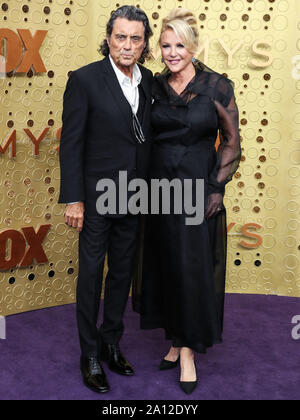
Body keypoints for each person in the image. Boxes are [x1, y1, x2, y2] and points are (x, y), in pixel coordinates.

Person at [134, 9, 241, 394]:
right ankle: (175, 340)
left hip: (197, 189)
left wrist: (216, 187)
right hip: (158, 190)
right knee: (164, 265)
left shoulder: (217, 86)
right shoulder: (154, 87)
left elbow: (231, 141)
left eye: (180, 44)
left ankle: (189, 351)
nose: (172, 52)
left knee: (191, 267)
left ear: (193, 47)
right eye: (165, 45)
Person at [58, 6, 153, 393]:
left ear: (145, 43)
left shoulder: (148, 81)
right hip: (96, 198)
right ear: (108, 37)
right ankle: (90, 353)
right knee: (92, 275)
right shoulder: (84, 80)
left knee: (121, 275)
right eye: (120, 37)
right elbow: (72, 143)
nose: (127, 45)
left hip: (135, 196)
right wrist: (74, 199)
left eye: (135, 38)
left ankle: (112, 342)